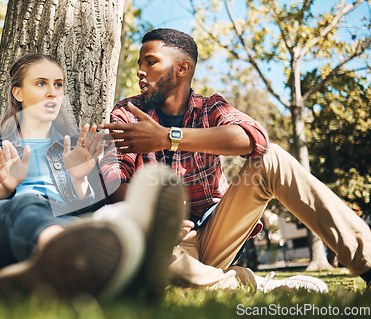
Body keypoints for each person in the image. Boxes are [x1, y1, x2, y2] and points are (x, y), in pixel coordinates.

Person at [100, 28, 371, 291]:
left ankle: (367, 260)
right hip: (163, 246)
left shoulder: (210, 108)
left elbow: (256, 140)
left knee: (271, 158)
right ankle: (252, 284)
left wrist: (169, 137)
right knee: (153, 263)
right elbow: (116, 182)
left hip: (216, 233)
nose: (140, 71)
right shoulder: (127, 113)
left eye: (151, 62)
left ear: (182, 69)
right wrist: (158, 220)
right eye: (139, 63)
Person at [0, 53, 186, 300]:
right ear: (18, 93)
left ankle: (121, 260)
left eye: (58, 84)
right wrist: (5, 188)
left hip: (65, 232)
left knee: (113, 215)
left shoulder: (74, 151)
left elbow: (90, 217)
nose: (53, 93)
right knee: (27, 202)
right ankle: (76, 258)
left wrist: (79, 180)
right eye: (41, 83)